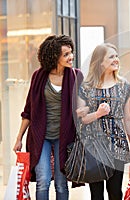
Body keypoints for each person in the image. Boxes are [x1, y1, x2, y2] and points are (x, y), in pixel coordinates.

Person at [13, 34, 84, 199]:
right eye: (65, 54)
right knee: (43, 179)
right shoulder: (39, 76)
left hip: (65, 136)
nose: (70, 57)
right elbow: (28, 110)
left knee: (61, 182)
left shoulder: (76, 75)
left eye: (71, 52)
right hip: (41, 136)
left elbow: (83, 104)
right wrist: (19, 138)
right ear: (54, 56)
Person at [76, 43, 130, 200]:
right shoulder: (86, 87)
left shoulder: (125, 86)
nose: (116, 59)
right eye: (111, 57)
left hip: (118, 144)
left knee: (115, 192)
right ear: (100, 62)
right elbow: (83, 119)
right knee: (96, 194)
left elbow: (128, 118)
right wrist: (98, 114)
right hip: (94, 145)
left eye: (116, 56)